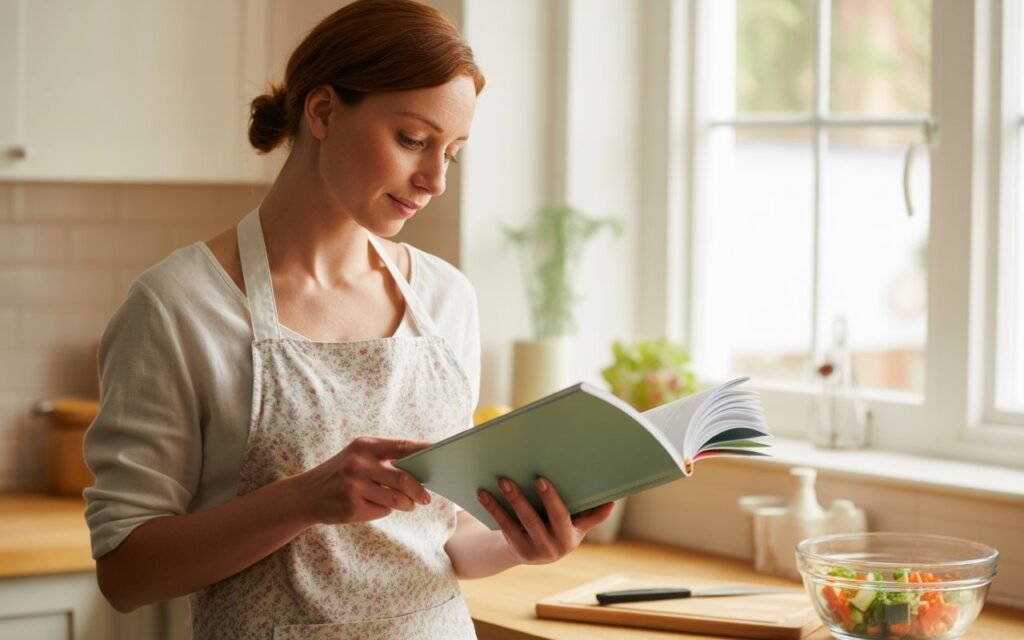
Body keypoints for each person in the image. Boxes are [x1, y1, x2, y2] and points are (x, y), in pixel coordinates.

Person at [83, 1, 614, 637]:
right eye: (413, 140)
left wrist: (523, 542)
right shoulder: (179, 306)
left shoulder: (446, 299)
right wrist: (304, 500)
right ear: (324, 111)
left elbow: (443, 538)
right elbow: (125, 575)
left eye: (452, 152)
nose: (435, 179)